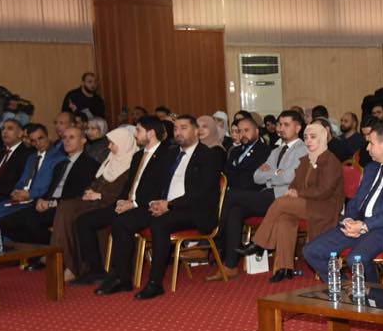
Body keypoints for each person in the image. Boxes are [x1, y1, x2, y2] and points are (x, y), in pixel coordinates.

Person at [98, 115, 224, 300]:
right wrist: (153, 202)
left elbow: (201, 192)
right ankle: (122, 278)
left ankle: (154, 283)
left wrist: (170, 205)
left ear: (196, 131)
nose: (178, 132)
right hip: (165, 207)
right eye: (176, 128)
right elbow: (155, 185)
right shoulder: (171, 154)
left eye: (184, 128)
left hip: (194, 211)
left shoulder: (209, 156)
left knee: (159, 223)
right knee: (121, 221)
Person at [303, 123, 383, 288]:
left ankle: (374, 296)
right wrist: (349, 220)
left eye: (371, 143)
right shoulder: (371, 168)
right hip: (359, 224)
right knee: (311, 251)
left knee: (355, 260)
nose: (367, 148)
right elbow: (357, 200)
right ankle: (343, 288)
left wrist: (366, 226)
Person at [239, 120, 345, 283]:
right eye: (306, 137)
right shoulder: (306, 160)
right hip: (306, 204)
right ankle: (285, 268)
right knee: (284, 218)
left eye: (313, 137)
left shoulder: (331, 161)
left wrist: (297, 193)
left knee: (281, 203)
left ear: (323, 138)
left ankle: (259, 243)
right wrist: (292, 190)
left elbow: (325, 191)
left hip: (325, 207)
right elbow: (295, 183)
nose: (308, 140)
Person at [72, 118, 166, 285]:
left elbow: (158, 188)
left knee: (120, 223)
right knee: (84, 221)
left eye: (138, 130)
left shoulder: (166, 155)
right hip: (129, 203)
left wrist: (134, 204)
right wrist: (121, 201)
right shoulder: (138, 156)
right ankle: (95, 270)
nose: (135, 134)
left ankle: (122, 278)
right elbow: (129, 185)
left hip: (147, 206)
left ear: (151, 133)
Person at [215, 110, 306, 270]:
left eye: (286, 125)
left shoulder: (302, 149)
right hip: (269, 194)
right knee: (236, 210)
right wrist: (277, 173)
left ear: (298, 128)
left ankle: (216, 235)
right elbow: (257, 176)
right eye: (280, 124)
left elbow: (289, 177)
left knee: (232, 195)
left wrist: (270, 174)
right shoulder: (276, 150)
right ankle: (230, 265)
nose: (281, 128)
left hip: (284, 197)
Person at [0, 125, 99, 249]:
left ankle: (56, 250)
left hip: (65, 207)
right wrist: (42, 200)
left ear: (83, 140)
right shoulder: (61, 164)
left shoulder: (89, 165)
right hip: (48, 203)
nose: (66, 141)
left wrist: (50, 203)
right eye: (64, 138)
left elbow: (77, 194)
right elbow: (51, 189)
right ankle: (38, 251)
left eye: (71, 137)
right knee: (4, 223)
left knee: (32, 223)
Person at [0, 123, 62, 227]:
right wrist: (16, 192)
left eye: (40, 138)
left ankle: (2, 237)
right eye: (33, 140)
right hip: (19, 199)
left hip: (35, 200)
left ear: (48, 137)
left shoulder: (58, 158)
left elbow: (49, 188)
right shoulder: (32, 157)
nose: (38, 143)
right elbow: (22, 181)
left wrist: (29, 194)